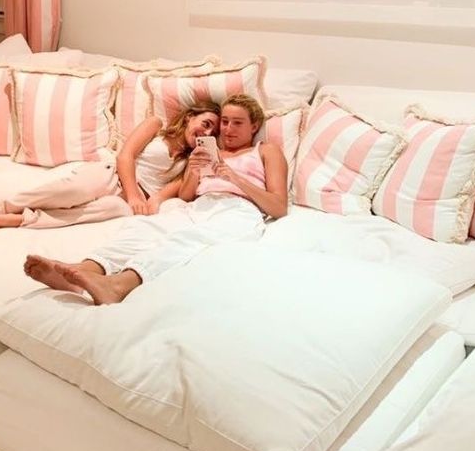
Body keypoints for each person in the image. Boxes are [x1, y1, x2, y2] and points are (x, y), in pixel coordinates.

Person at [24, 94, 287, 303]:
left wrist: (236, 179)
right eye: (225, 122)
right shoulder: (212, 149)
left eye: (237, 123)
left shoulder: (266, 150)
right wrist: (194, 171)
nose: (228, 129)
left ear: (254, 125)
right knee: (145, 228)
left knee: (185, 241)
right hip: (199, 205)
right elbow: (185, 195)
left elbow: (279, 207)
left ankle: (119, 285)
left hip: (237, 210)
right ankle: (85, 270)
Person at [0, 102, 221, 231]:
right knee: (72, 191)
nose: (204, 132)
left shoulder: (190, 160)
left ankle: (21, 219)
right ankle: (0, 206)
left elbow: (180, 194)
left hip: (129, 201)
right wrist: (133, 194)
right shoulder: (156, 125)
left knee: (97, 212)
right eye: (204, 123)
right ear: (190, 117)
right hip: (114, 177)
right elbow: (125, 156)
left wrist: (197, 167)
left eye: (211, 132)